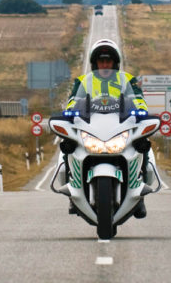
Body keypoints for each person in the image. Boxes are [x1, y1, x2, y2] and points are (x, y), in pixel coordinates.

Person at [63, 38, 152, 218]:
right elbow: (72, 101)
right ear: (95, 63)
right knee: (68, 148)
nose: (105, 65)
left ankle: (140, 196)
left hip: (120, 125)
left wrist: (142, 111)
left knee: (143, 146)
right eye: (101, 61)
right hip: (92, 127)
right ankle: (73, 195)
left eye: (108, 61)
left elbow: (139, 99)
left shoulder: (127, 79)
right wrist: (70, 111)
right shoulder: (82, 81)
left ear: (115, 62)